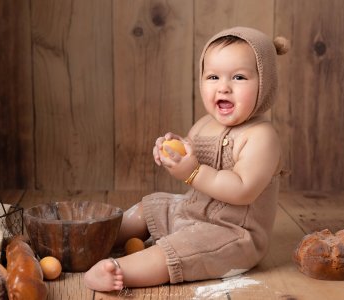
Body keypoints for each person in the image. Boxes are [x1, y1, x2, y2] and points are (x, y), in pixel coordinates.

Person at [84, 26, 289, 292]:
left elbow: (243, 190)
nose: (223, 87)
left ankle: (120, 271)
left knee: (180, 250)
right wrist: (174, 150)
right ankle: (92, 240)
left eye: (239, 77)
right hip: (191, 213)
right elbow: (191, 156)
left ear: (265, 84)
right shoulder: (205, 124)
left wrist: (192, 173)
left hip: (231, 235)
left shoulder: (262, 137)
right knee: (151, 207)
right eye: (213, 76)